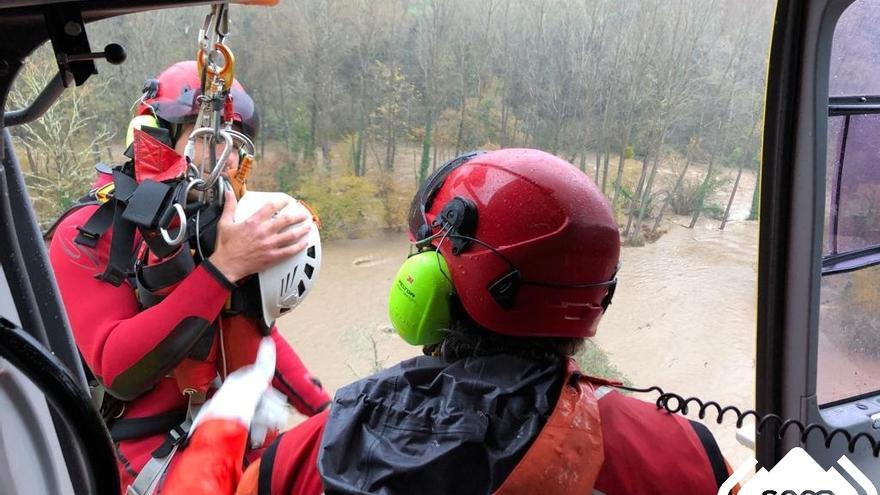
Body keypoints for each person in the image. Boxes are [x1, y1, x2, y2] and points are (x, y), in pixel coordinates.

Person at [164, 148, 734, 495]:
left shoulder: (308, 457)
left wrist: (216, 438)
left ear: (428, 288)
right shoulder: (688, 454)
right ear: (593, 301)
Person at [47, 60, 330, 494]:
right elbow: (118, 368)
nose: (225, 158)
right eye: (207, 137)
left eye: (233, 143)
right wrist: (224, 268)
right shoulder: (87, 233)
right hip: (148, 466)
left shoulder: (214, 225)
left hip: (234, 447)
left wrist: (331, 414)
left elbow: (255, 329)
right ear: (159, 136)